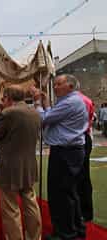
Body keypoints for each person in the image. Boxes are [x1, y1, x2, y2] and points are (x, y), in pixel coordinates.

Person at [33, 74, 88, 240]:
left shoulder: (70, 102)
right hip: (69, 150)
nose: (55, 87)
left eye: (58, 84)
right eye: (55, 84)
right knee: (69, 192)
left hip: (65, 152)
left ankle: (65, 233)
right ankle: (76, 228)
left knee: (60, 194)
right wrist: (47, 104)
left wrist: (37, 102)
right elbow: (51, 116)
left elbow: (43, 119)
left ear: (70, 86)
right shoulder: (71, 101)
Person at [0, 85, 42, 240]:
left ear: (9, 98)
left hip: (10, 167)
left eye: (4, 99)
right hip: (29, 164)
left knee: (11, 208)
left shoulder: (7, 113)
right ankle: (35, 236)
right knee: (31, 203)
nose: (2, 102)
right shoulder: (34, 112)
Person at [78, 91, 95, 222]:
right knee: (83, 176)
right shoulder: (85, 100)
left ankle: (84, 211)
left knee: (82, 177)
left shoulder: (79, 101)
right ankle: (84, 211)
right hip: (84, 137)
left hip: (81, 138)